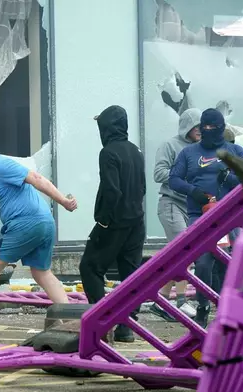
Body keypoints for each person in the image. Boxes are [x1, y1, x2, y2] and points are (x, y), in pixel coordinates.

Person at [0, 135, 78, 327]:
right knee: (42, 273)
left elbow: (36, 178)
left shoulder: (1, 164)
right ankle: (71, 322)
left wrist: (64, 202)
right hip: (45, 223)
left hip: (24, 223)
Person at [169, 108, 243, 328]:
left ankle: (228, 312)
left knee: (229, 265)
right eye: (205, 127)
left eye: (214, 127)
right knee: (203, 262)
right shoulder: (189, 153)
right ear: (199, 128)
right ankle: (203, 307)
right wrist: (191, 190)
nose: (209, 131)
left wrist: (231, 178)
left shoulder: (235, 150)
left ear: (222, 128)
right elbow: (173, 179)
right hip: (200, 217)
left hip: (229, 218)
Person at [79, 105, 146, 343]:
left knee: (90, 267)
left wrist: (104, 221)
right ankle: (126, 327)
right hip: (137, 222)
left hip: (115, 222)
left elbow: (112, 189)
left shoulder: (108, 152)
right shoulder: (136, 150)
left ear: (106, 128)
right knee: (130, 275)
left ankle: (100, 321)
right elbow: (142, 188)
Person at [151, 108, 202, 322]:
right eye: (197, 127)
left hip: (192, 207)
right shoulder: (170, 145)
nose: (201, 131)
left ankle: (163, 300)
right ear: (187, 126)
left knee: (184, 254)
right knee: (184, 251)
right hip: (171, 204)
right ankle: (179, 301)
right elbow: (158, 173)